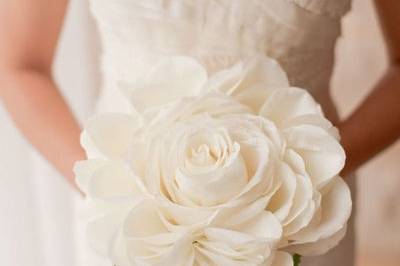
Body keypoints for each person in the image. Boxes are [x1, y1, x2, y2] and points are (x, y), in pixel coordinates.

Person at [0, 0, 399, 265]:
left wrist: (300, 180)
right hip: (129, 227)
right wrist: (120, 192)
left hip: (301, 220)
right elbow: (19, 64)